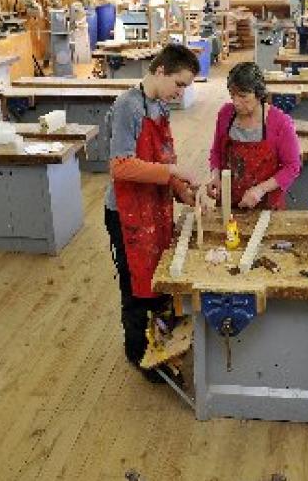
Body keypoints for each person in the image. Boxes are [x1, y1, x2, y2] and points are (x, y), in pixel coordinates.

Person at [104, 44, 200, 381]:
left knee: (159, 281)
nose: (181, 92)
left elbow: (164, 159)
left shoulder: (159, 106)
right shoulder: (127, 106)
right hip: (127, 214)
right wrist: (172, 175)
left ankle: (162, 342)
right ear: (160, 72)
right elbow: (120, 166)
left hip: (154, 209)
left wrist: (182, 192)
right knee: (135, 288)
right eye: (180, 83)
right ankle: (139, 354)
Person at [207, 61, 301, 210]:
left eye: (243, 96)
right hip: (229, 203)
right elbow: (216, 152)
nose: (236, 102)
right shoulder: (226, 113)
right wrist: (215, 175)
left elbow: (292, 167)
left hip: (265, 203)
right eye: (232, 95)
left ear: (259, 94)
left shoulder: (280, 122)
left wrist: (261, 189)